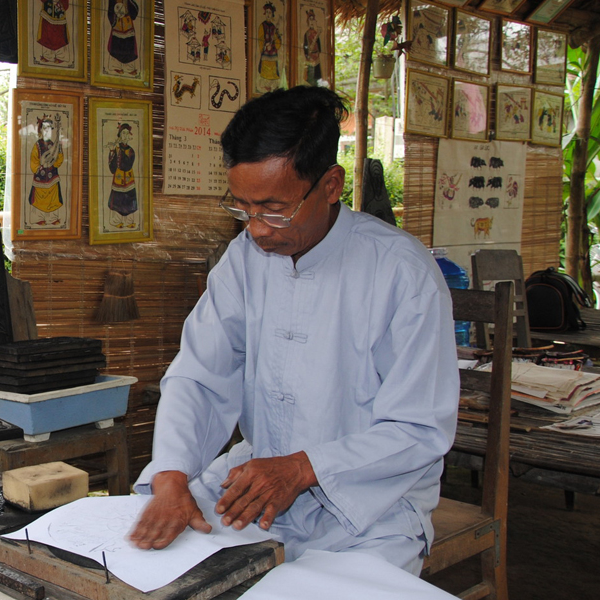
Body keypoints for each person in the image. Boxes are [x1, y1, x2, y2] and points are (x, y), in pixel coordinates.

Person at [128, 86, 458, 576]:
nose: (258, 229)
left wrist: (304, 468)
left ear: (330, 185)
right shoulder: (244, 259)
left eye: (274, 209)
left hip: (370, 510)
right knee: (154, 572)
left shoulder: (400, 272)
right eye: (243, 208)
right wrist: (171, 475)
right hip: (251, 487)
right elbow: (200, 374)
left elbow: (420, 428)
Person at [28, 114, 64, 227]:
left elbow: (58, 161)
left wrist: (60, 151)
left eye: (49, 128)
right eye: (45, 128)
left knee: (53, 199)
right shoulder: (37, 145)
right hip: (41, 177)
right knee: (39, 200)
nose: (47, 131)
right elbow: (34, 161)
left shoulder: (53, 144)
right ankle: (38, 219)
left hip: (52, 176)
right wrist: (39, 167)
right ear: (41, 130)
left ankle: (52, 218)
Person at [106, 123, 138, 229]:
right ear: (119, 135)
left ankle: (129, 222)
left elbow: (127, 165)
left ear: (129, 136)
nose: (125, 136)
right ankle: (116, 221)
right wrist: (112, 151)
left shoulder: (131, 151)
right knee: (118, 201)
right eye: (123, 133)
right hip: (118, 181)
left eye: (126, 133)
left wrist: (118, 151)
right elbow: (112, 169)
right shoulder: (115, 149)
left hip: (128, 180)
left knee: (129, 200)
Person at [106, 0, 139, 75]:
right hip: (118, 23)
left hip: (127, 22)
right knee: (116, 45)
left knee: (129, 45)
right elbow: (111, 10)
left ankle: (129, 68)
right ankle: (116, 66)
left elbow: (133, 8)